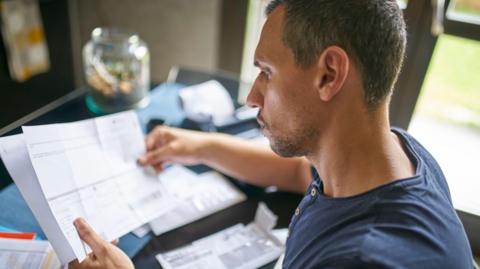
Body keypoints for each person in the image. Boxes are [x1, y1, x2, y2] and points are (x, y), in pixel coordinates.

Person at [70, 0, 475, 268]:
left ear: (329, 74)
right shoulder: (396, 151)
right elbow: (302, 174)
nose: (250, 97)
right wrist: (201, 146)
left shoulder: (362, 258)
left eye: (266, 72)